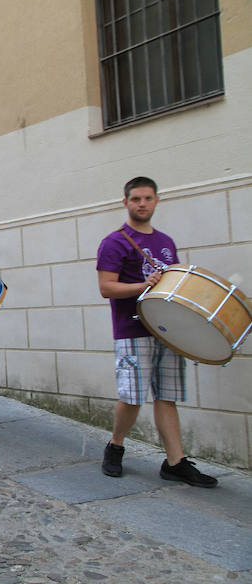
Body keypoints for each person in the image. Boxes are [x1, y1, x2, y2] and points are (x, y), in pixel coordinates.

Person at [97, 176, 217, 487]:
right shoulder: (115, 242)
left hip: (166, 331)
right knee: (133, 397)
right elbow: (106, 287)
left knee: (167, 397)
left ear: (156, 201)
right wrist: (142, 286)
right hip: (132, 329)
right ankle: (116, 446)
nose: (142, 204)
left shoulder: (165, 242)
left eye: (147, 198)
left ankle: (175, 462)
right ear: (125, 202)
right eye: (136, 199)